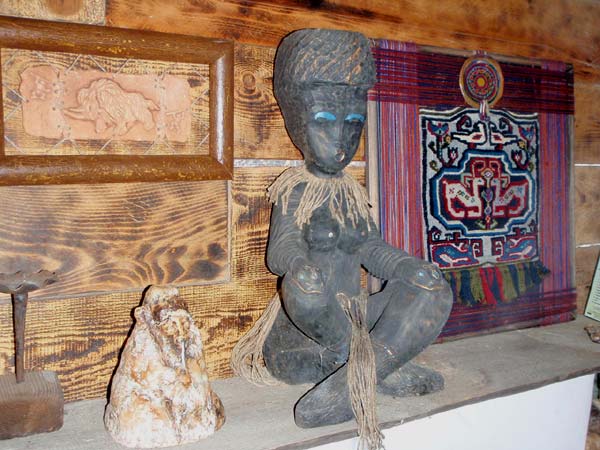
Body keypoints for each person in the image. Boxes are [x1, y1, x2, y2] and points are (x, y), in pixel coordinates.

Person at [232, 29, 453, 436]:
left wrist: (407, 267)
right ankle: (381, 367)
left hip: (354, 318)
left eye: (354, 123)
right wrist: (298, 265)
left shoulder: (351, 193)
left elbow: (371, 248)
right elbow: (280, 251)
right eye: (323, 121)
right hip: (306, 334)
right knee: (301, 289)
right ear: (296, 122)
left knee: (434, 290)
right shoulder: (296, 190)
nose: (340, 140)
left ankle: (360, 375)